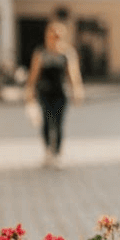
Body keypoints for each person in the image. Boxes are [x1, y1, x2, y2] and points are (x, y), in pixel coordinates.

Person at [24, 20, 84, 168]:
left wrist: (77, 90)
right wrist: (29, 91)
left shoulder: (67, 53)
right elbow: (34, 75)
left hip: (60, 93)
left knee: (58, 123)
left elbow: (73, 75)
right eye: (52, 35)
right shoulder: (41, 53)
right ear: (47, 35)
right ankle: (47, 152)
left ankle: (56, 153)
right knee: (46, 122)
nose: (55, 38)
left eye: (58, 35)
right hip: (44, 92)